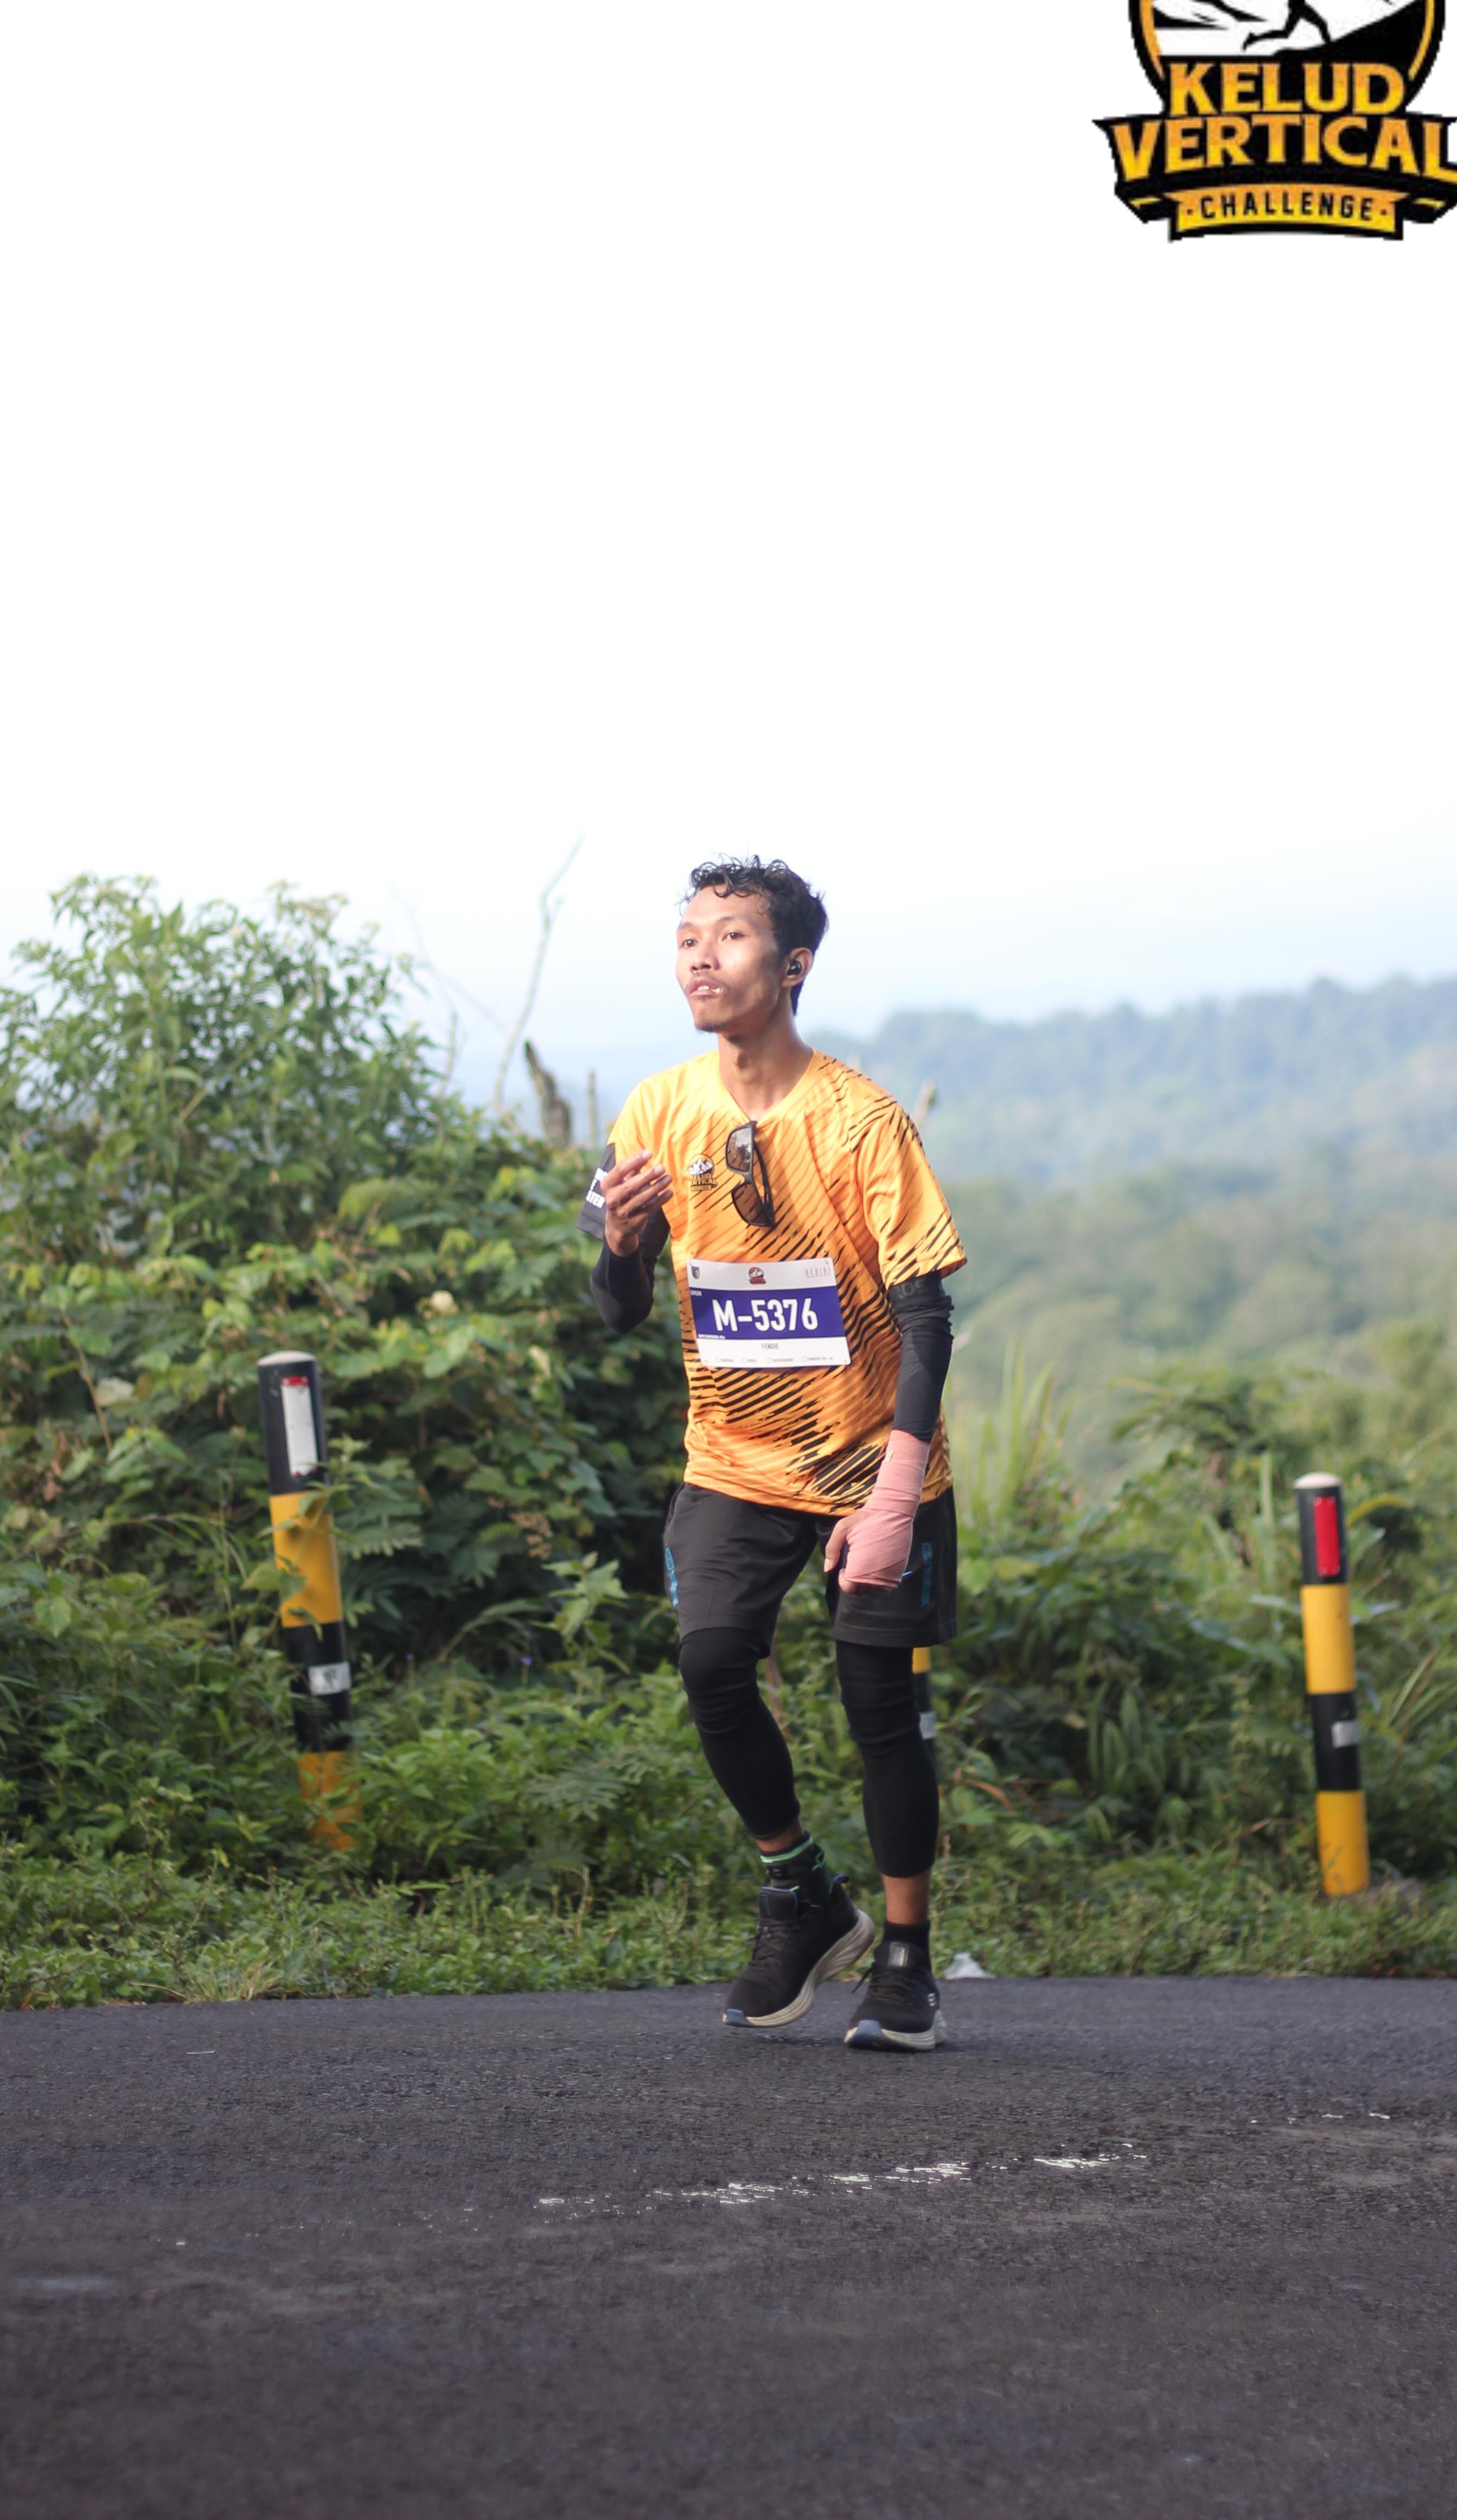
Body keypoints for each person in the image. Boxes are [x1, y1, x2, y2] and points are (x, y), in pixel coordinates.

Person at [585, 857, 966, 2050]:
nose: (702, 956)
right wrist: (622, 1246)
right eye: (688, 936)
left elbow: (927, 1319)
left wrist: (894, 1498)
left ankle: (904, 1958)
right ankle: (800, 1890)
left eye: (733, 935)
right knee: (710, 1664)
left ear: (794, 965)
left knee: (878, 1706)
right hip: (734, 1459)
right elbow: (616, 1310)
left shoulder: (861, 1122)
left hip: (872, 1461)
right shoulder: (656, 1112)